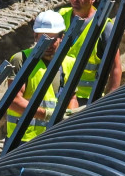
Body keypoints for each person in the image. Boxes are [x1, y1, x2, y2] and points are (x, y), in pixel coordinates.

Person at [5, 10, 77, 142]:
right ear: (35, 36)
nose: (48, 44)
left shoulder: (68, 63)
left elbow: (71, 97)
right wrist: (46, 115)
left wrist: (70, 118)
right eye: (44, 39)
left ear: (62, 37)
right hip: (22, 140)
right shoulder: (21, 60)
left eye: (53, 39)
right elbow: (13, 101)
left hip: (53, 138)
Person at [56, 0, 121, 100]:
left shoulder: (104, 27)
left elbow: (115, 68)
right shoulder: (60, 17)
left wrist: (108, 102)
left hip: (86, 99)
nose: (74, 0)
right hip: (59, 94)